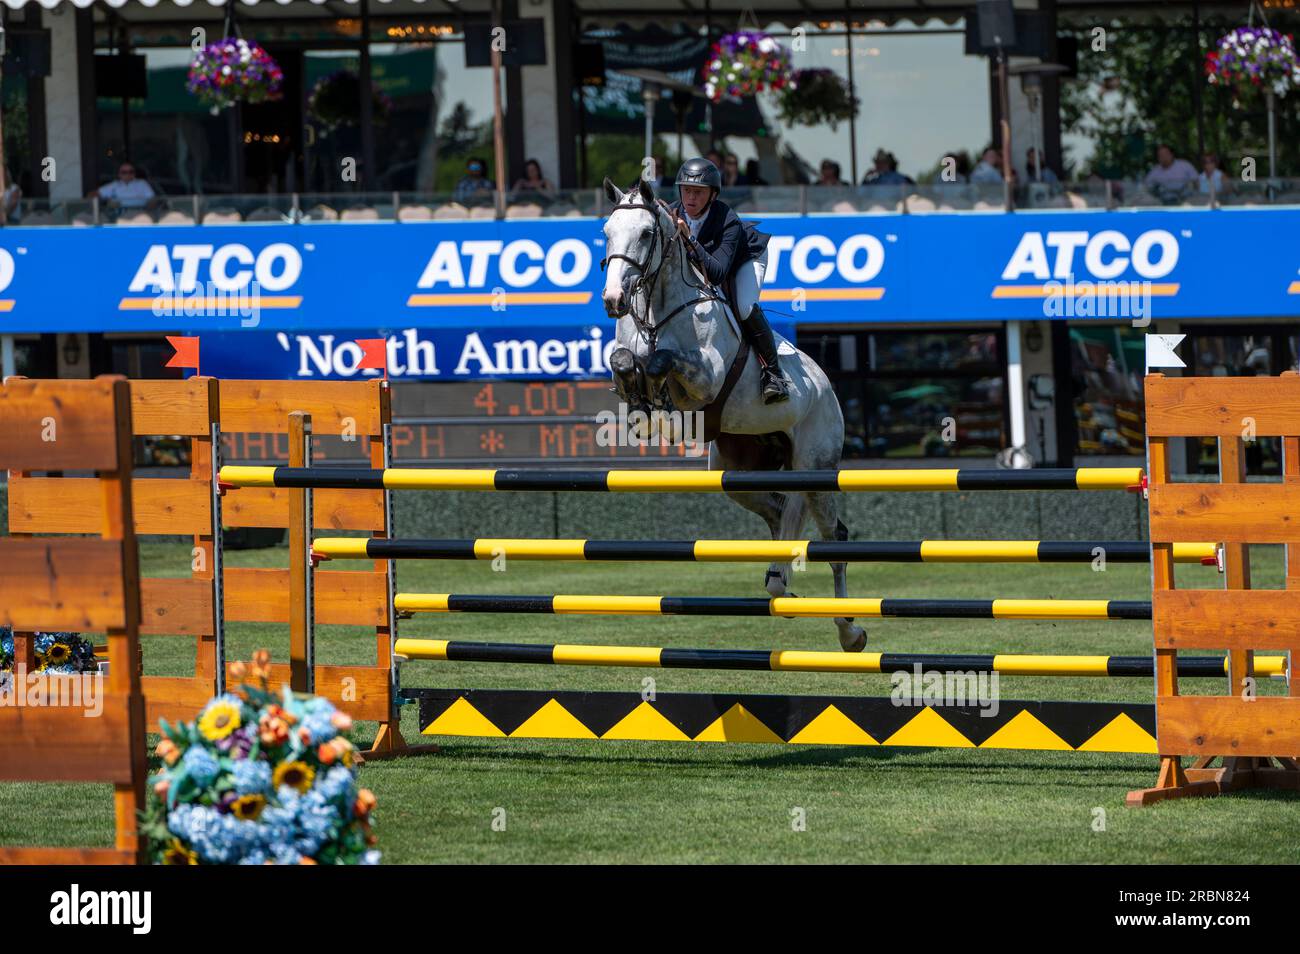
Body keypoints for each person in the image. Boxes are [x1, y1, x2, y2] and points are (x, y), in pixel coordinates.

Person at [667, 157, 789, 404]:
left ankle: (774, 374)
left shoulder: (727, 219)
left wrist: (690, 239)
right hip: (705, 260)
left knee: (744, 306)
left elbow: (717, 273)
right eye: (686, 190)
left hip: (745, 258)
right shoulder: (671, 213)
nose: (690, 198)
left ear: (713, 194)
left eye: (698, 192)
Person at [90, 161, 155, 208]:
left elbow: (153, 200)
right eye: (124, 172)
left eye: (131, 172)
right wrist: (104, 203)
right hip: (118, 214)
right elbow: (93, 194)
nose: (128, 174)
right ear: (119, 174)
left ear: (134, 173)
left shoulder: (142, 184)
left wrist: (147, 209)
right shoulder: (114, 185)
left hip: (138, 214)